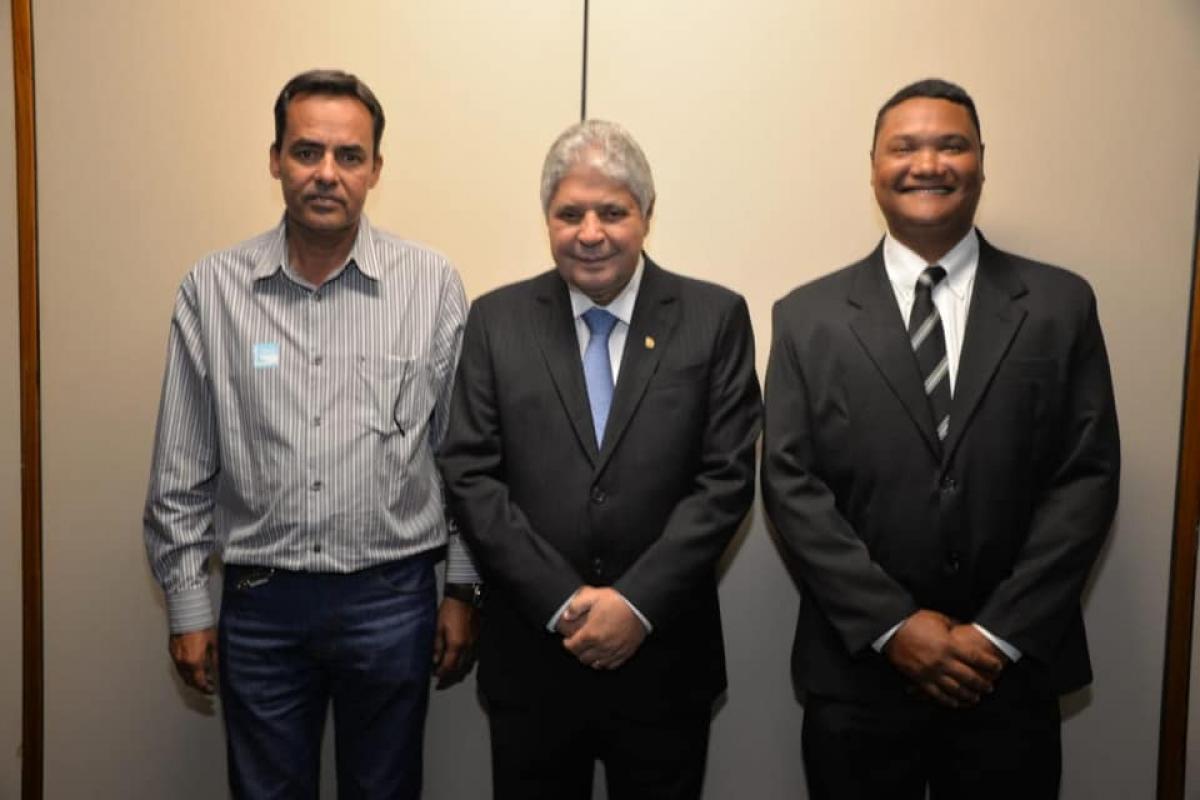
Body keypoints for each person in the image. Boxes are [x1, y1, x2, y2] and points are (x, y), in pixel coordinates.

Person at [762, 78, 1120, 799]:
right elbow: (791, 485)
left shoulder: (1060, 306)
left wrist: (998, 634)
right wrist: (895, 626)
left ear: (982, 161)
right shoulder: (807, 316)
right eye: (905, 147)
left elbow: (1086, 478)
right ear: (873, 167)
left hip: (1008, 678)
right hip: (859, 678)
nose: (927, 164)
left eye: (950, 145)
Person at [143, 68, 481, 799]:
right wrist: (188, 603)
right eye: (306, 152)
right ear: (275, 160)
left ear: (376, 169)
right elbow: (180, 469)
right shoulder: (213, 290)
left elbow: (464, 460)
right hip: (262, 603)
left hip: (392, 598)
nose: (327, 173)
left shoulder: (432, 286)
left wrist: (463, 588)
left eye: (349, 155)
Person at [437, 119, 761, 800]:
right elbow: (470, 472)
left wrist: (635, 604)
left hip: (664, 659)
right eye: (570, 214)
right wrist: (562, 601)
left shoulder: (714, 318)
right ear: (546, 219)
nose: (590, 233)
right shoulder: (496, 321)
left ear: (647, 214)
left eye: (612, 212)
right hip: (533, 661)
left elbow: (727, 480)